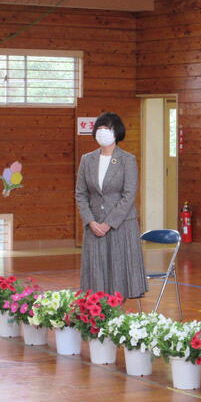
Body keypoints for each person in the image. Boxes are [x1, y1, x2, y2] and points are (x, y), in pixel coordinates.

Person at [75, 112, 147, 300]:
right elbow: (81, 194)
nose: (102, 132)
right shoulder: (87, 159)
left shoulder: (127, 160)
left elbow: (129, 195)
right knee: (96, 277)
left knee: (120, 277)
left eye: (106, 128)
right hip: (94, 226)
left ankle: (118, 314)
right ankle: (99, 313)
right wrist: (90, 221)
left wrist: (109, 223)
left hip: (121, 225)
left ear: (117, 132)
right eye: (99, 128)